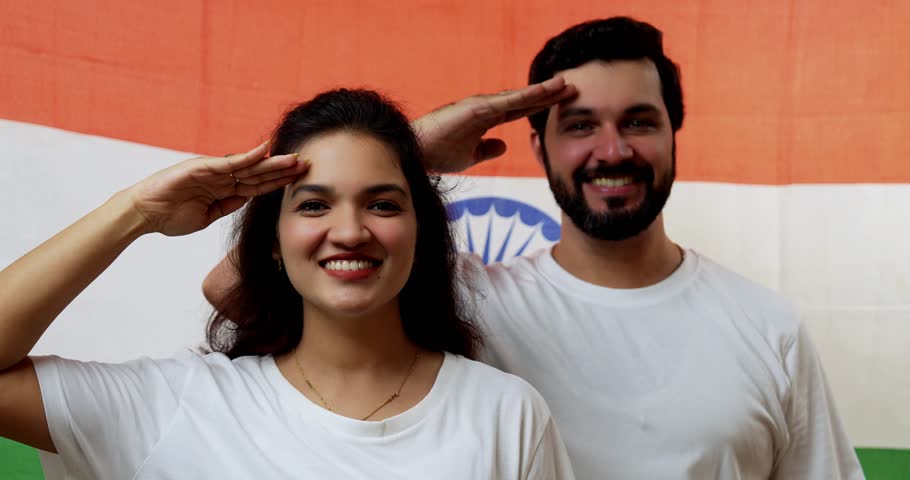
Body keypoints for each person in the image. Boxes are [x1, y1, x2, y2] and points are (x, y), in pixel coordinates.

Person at [203, 17, 865, 479]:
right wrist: (403, 153)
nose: (613, 150)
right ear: (538, 146)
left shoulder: (767, 328)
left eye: (639, 121)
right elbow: (235, 285)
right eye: (580, 126)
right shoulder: (474, 298)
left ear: (674, 134)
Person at [0, 89, 575, 479]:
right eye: (314, 205)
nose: (349, 231)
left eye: (381, 202)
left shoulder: (505, 414)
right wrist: (135, 211)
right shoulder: (177, 403)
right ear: (273, 240)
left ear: (420, 230)